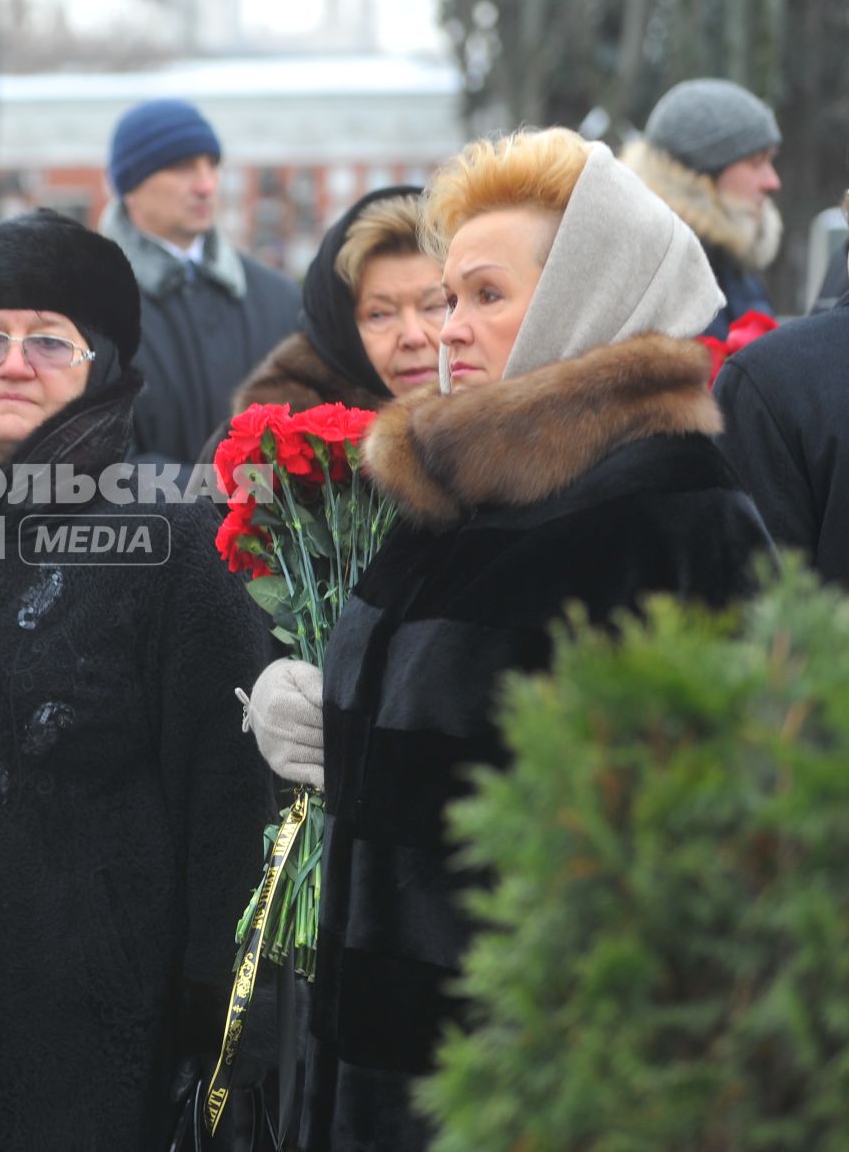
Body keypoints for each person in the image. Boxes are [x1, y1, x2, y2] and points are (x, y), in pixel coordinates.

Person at [244, 129, 772, 1150]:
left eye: (488, 294)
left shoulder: (671, 514)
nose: (448, 328)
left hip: (532, 1087)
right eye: (447, 296)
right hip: (381, 1078)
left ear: (591, 291)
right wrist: (324, 718)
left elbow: (709, 871)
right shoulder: (461, 495)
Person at [0, 209, 275, 1149]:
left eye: (51, 338)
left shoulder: (172, 542)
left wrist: (215, 1050)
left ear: (104, 360)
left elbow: (229, 812)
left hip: (90, 1059)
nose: (13, 362)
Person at [98, 98, 300, 463]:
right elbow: (97, 463)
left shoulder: (279, 299)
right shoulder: (87, 306)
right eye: (180, 167)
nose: (206, 185)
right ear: (130, 185)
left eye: (212, 165)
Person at [713, 189, 849, 583]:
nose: (772, 180)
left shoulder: (770, 380)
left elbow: (755, 611)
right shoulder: (770, 381)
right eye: (757, 160)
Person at [230, 186, 446, 415]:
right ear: (340, 331)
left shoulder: (484, 432)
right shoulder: (272, 442)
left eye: (434, 307)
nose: (413, 337)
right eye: (379, 314)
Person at [622, 77, 783, 338]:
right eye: (756, 162)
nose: (773, 182)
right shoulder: (656, 276)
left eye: (770, 161)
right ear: (703, 175)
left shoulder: (736, 262)